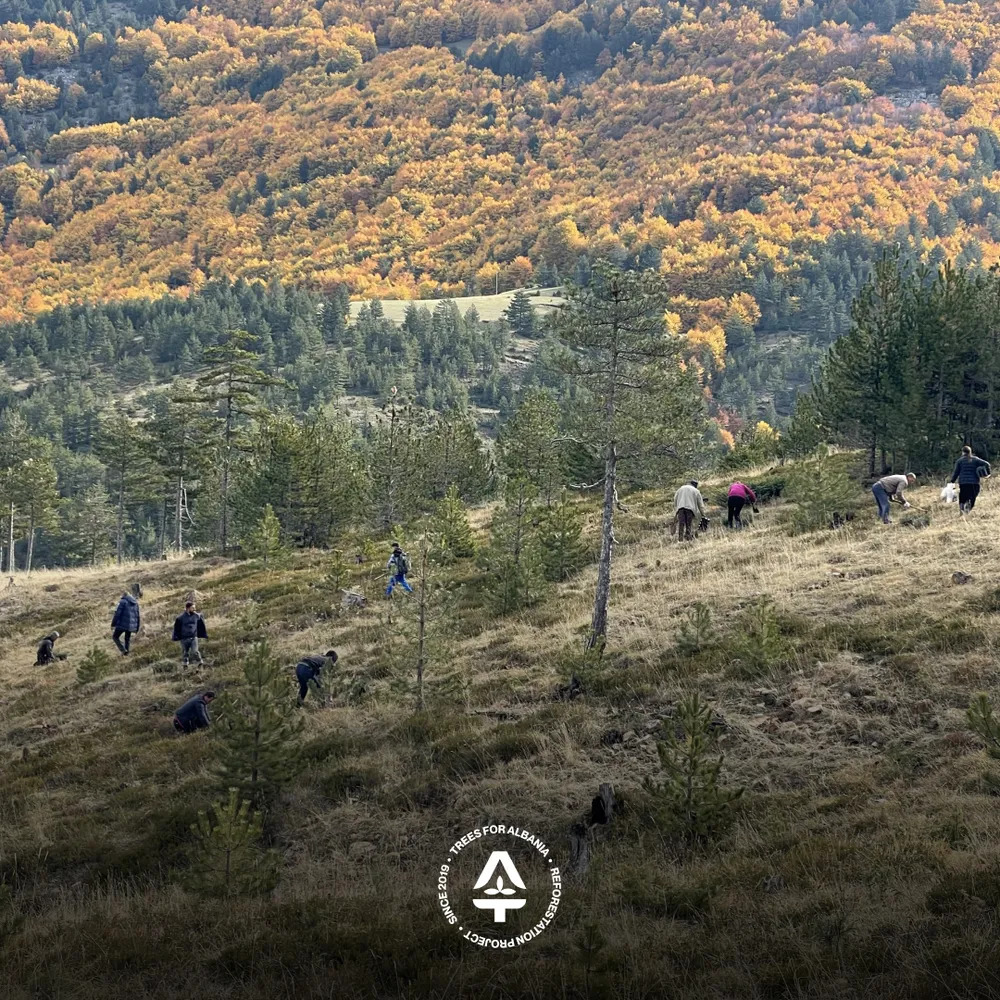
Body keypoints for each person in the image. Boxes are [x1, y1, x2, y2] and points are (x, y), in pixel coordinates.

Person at [949, 445, 991, 514]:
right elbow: (987, 464)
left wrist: (952, 481)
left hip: (963, 483)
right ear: (970, 452)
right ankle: (968, 509)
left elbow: (956, 472)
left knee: (963, 497)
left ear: (963, 452)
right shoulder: (975, 459)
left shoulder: (959, 461)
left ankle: (962, 511)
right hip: (974, 482)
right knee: (973, 496)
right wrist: (987, 473)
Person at [172, 601, 208, 666]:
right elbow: (177, 628)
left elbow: (201, 620)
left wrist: (201, 634)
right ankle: (185, 665)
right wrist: (177, 637)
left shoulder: (196, 616)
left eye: (194, 607)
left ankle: (200, 662)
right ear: (188, 608)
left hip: (194, 637)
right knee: (185, 652)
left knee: (195, 651)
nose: (194, 609)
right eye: (193, 608)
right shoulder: (180, 618)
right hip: (184, 638)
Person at [111, 583, 142, 656]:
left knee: (115, 637)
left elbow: (117, 614)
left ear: (123, 596)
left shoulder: (122, 602)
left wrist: (113, 624)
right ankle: (126, 653)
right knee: (127, 639)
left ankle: (123, 650)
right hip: (131, 626)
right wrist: (137, 628)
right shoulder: (135, 603)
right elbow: (138, 616)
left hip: (122, 624)